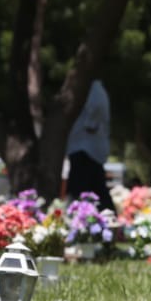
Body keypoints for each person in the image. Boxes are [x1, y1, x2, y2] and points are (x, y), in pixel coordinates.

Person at [65, 80, 116, 213]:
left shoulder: (92, 87)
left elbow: (97, 106)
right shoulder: (95, 87)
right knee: (95, 189)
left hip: (86, 148)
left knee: (83, 190)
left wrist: (91, 125)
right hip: (86, 147)